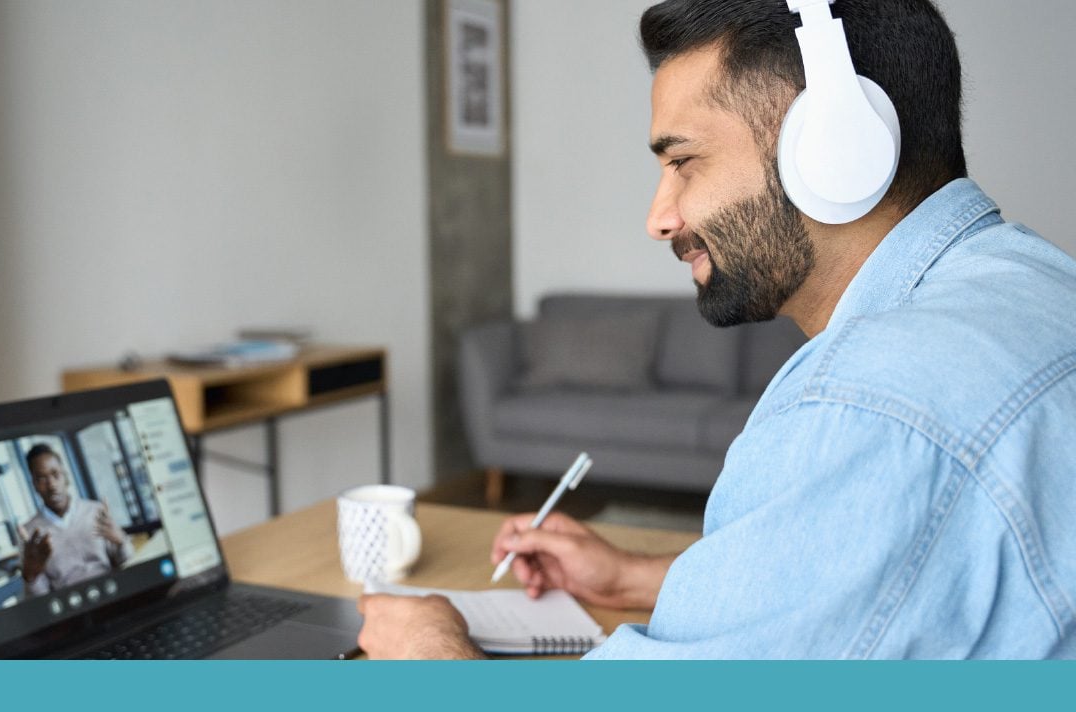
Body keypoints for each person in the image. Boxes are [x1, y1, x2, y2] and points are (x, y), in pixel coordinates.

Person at [358, 0, 1076, 659]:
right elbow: (902, 574)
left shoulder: (867, 406)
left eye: (683, 162)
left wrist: (436, 656)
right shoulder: (1041, 283)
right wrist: (638, 576)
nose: (660, 217)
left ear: (833, 149)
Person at [19, 443, 133, 597]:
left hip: (113, 592)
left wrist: (121, 542)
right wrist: (30, 576)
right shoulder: (30, 534)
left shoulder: (95, 511)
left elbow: (128, 563)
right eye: (42, 478)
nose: (51, 485)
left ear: (65, 476)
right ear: (34, 485)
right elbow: (40, 598)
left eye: (56, 474)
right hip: (72, 607)